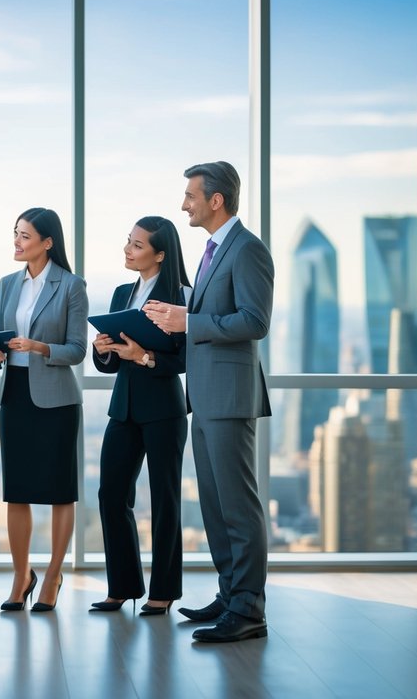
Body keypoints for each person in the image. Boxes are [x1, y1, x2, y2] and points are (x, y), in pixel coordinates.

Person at [145, 161, 273, 643]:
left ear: (215, 199)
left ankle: (249, 610)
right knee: (217, 507)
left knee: (238, 506)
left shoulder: (248, 250)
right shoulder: (213, 250)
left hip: (230, 397)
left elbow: (254, 322)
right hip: (203, 395)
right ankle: (230, 595)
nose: (184, 204)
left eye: (190, 195)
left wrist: (188, 322)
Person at [90, 216, 189, 617]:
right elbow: (111, 366)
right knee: (111, 495)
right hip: (124, 407)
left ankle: (162, 592)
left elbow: (184, 359)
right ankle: (123, 587)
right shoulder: (120, 293)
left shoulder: (182, 296)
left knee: (165, 501)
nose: (128, 250)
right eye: (127, 242)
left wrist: (144, 356)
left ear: (160, 254)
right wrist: (103, 350)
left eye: (137, 245)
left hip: (164, 409)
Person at [0, 208, 88, 613]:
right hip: (14, 395)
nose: (16, 241)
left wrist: (39, 347)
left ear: (47, 242)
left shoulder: (71, 286)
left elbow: (77, 349)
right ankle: (21, 575)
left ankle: (53, 574)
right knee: (18, 492)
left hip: (57, 400)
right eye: (15, 233)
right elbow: (0, 340)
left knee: (59, 492)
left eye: (24, 235)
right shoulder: (6, 284)